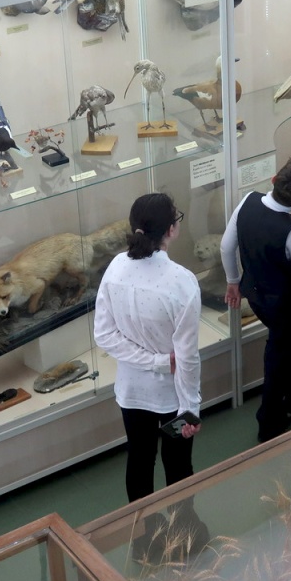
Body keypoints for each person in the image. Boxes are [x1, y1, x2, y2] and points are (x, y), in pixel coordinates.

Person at [94, 193, 202, 502]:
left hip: (133, 393)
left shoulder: (115, 268)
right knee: (178, 463)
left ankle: (140, 527)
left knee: (139, 460)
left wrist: (151, 361)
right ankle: (183, 525)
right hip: (173, 396)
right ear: (171, 229)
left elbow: (104, 335)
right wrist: (190, 409)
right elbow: (186, 358)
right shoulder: (182, 282)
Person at [221, 156, 291, 442]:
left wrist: (233, 282)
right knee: (284, 352)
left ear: (274, 180)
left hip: (256, 295)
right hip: (285, 305)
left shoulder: (248, 201)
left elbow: (226, 246)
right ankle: (271, 419)